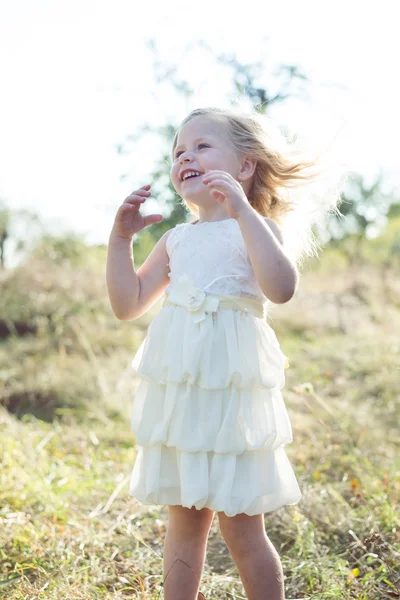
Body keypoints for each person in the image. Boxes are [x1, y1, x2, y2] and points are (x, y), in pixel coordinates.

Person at [106, 107, 343, 600]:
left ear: (244, 167)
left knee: (241, 527)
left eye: (201, 146)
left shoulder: (256, 229)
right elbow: (127, 304)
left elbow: (280, 289)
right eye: (178, 152)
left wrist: (243, 212)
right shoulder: (176, 240)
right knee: (184, 523)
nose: (185, 156)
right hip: (185, 401)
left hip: (233, 398)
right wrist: (121, 238)